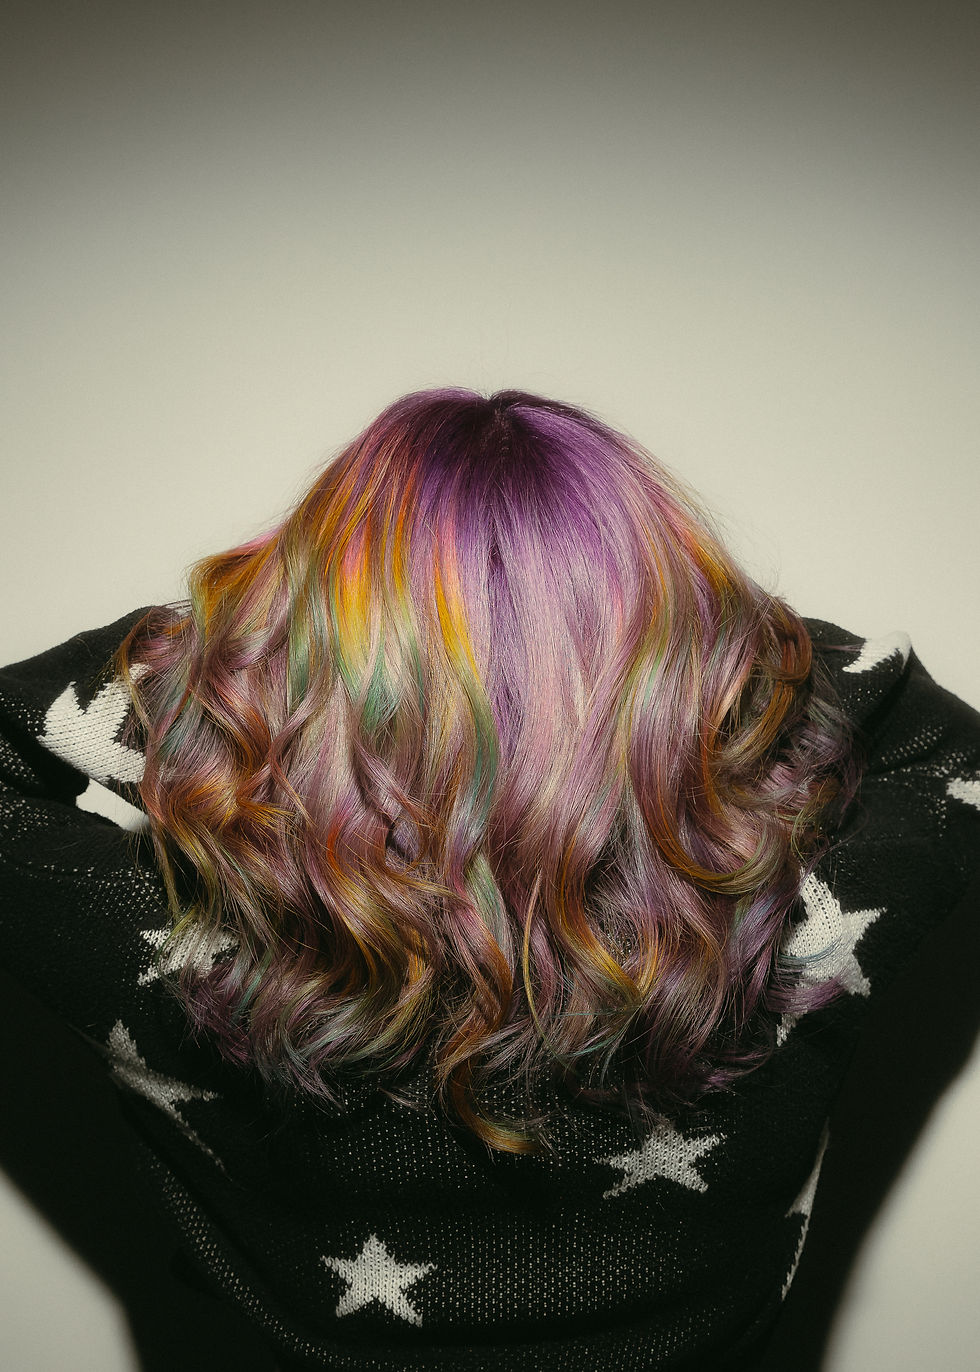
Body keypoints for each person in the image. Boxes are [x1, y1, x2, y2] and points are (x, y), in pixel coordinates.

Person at [1, 387, 978, 1371]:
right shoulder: (788, 951)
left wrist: (237, 658)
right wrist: (688, 645)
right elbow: (945, 753)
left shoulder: (200, 969)